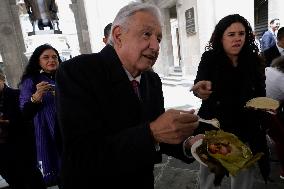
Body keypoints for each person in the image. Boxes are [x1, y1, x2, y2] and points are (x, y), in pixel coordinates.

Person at [56, 2, 201, 188]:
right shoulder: (77, 72)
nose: (156, 46)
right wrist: (151, 133)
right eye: (146, 34)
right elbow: (81, 154)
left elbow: (159, 133)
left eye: (159, 38)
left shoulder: (151, 80)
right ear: (118, 35)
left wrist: (188, 144)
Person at [191, 14, 270, 189]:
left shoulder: (254, 60)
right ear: (221, 37)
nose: (237, 39)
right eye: (231, 34)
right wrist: (200, 90)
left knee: (243, 176)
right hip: (215, 126)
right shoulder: (210, 58)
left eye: (241, 34)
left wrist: (264, 107)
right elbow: (199, 84)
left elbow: (260, 92)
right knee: (210, 177)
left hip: (246, 127)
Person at [19, 44, 62, 187]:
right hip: (47, 133)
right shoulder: (31, 81)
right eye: (46, 57)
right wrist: (36, 97)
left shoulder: (65, 76)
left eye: (54, 57)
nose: (51, 60)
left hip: (69, 130)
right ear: (38, 61)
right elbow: (25, 113)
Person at [0, 69, 46, 189]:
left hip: (23, 151)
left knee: (33, 182)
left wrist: (9, 123)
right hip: (3, 157)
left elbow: (29, 119)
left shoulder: (18, 95)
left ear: (2, 79)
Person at [265, 56, 284, 179]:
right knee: (282, 139)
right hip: (266, 113)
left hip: (257, 107)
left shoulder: (268, 69)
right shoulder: (282, 79)